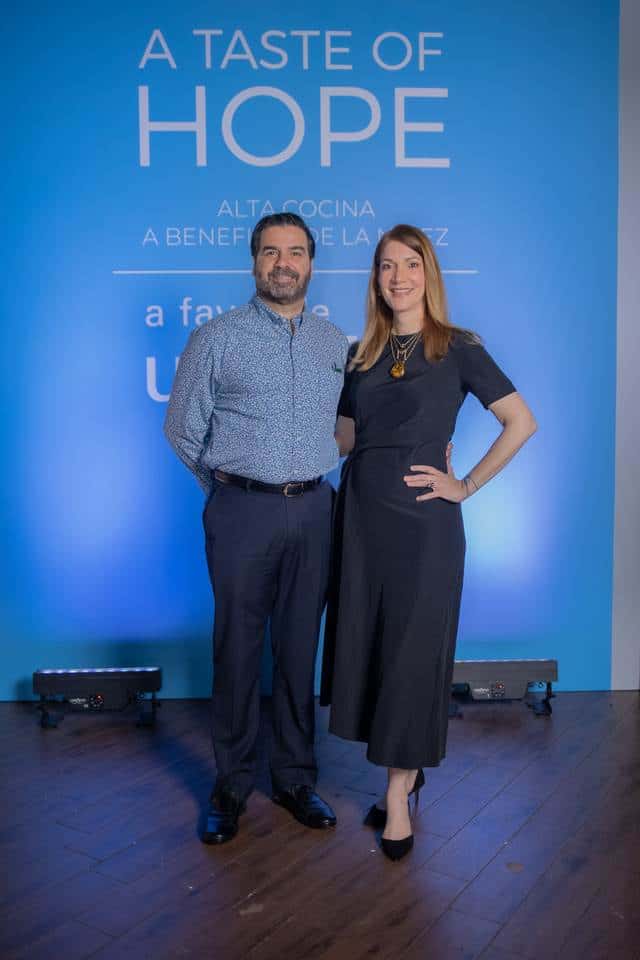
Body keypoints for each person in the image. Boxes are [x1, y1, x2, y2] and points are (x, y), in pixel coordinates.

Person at [322, 224, 536, 861]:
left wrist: (465, 482)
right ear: (376, 279)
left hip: (424, 526)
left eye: (410, 264)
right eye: (386, 266)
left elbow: (520, 421)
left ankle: (394, 799)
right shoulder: (360, 355)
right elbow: (343, 439)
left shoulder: (459, 347)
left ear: (429, 272)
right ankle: (403, 774)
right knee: (372, 647)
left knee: (413, 656)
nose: (398, 277)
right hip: (361, 522)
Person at [164, 212, 349, 844]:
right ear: (254, 262)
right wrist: (228, 491)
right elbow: (182, 430)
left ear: (311, 264)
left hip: (316, 508)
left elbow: (344, 427)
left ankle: (296, 779)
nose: (283, 262)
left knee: (299, 647)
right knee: (238, 650)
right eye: (271, 252)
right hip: (242, 509)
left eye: (294, 252)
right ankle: (231, 785)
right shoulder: (216, 336)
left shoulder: (334, 344)